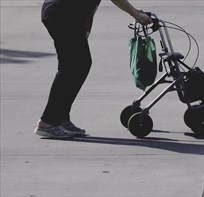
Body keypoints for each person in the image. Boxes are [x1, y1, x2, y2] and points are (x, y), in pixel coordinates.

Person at [35, 0, 152, 139]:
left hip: (64, 14)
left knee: (77, 65)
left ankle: (60, 118)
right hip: (62, 14)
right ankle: (48, 122)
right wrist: (135, 14)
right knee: (74, 66)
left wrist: (134, 12)